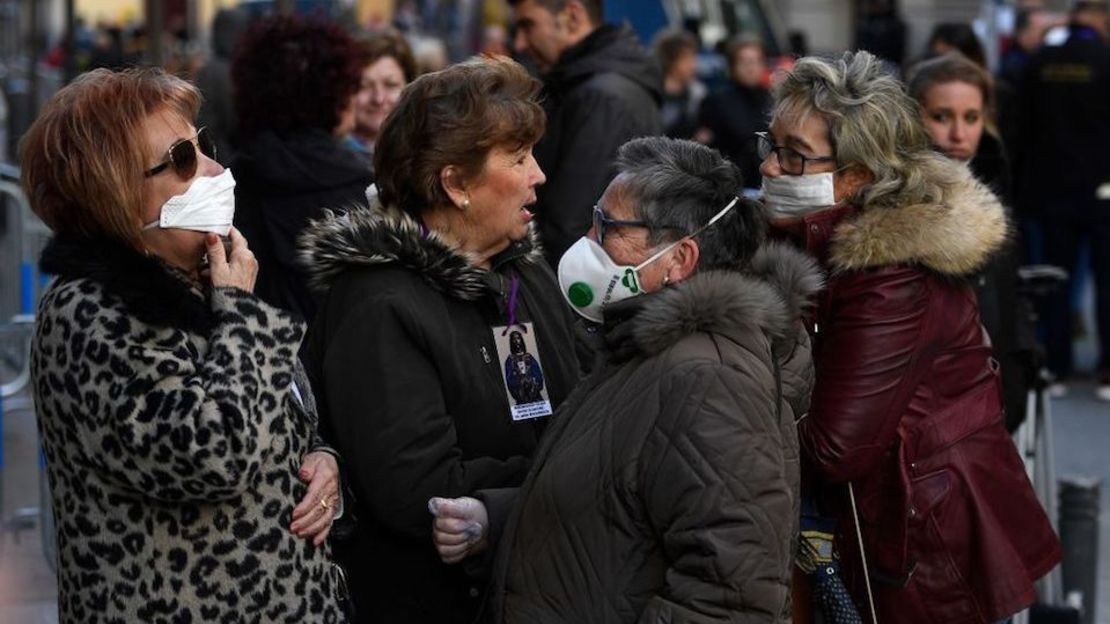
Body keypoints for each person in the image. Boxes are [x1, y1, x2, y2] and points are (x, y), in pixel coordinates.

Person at [431, 136, 823, 623]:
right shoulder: (647, 347)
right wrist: (501, 517)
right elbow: (622, 500)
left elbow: (731, 596)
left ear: (680, 260)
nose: (589, 240)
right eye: (595, 218)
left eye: (609, 227)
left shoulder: (709, 380)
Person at [21, 67, 347, 622]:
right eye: (182, 159)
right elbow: (211, 456)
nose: (217, 170)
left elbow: (283, 414)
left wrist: (321, 460)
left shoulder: (206, 282)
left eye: (205, 146)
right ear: (115, 194)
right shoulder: (88, 313)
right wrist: (240, 315)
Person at [761, 51, 1061, 622]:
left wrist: (726, 401)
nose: (771, 169)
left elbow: (833, 449)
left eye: (794, 157)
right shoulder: (819, 241)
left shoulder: (887, 274)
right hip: (900, 524)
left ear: (858, 176)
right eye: (770, 147)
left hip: (924, 548)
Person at [299, 57, 581, 624]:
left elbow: (583, 404)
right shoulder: (378, 301)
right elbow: (418, 489)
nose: (539, 176)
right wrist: (567, 476)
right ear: (455, 184)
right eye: (519, 158)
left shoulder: (523, 271)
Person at [907, 53, 1033, 432]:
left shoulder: (994, 178)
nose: (959, 135)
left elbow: (1005, 293)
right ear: (914, 119)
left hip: (997, 398)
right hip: (932, 413)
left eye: (972, 118)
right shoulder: (898, 200)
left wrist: (1019, 367)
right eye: (942, 117)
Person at [231, 15, 373, 324]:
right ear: (333, 94)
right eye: (351, 87)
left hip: (259, 354)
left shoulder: (233, 181)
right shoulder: (365, 188)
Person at [508, 0, 662, 267]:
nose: (520, 43)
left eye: (528, 25)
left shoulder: (601, 99)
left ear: (572, 16)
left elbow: (569, 224)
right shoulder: (589, 87)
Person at [1018, 0, 1110, 400]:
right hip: (1104, 190)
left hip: (1052, 189)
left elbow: (1023, 127)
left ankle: (1056, 364)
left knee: (1057, 278)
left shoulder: (1040, 61)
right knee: (1107, 282)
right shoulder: (1106, 58)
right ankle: (1107, 369)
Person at [697, 35, 772, 193]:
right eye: (744, 62)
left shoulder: (773, 100)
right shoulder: (716, 102)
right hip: (730, 186)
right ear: (732, 65)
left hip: (767, 183)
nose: (750, 68)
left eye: (756, 61)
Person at [346, 30, 417, 162]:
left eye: (391, 85)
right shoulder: (326, 160)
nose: (378, 99)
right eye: (364, 86)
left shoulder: (426, 155)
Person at [193, 6, 248, 167]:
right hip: (243, 158)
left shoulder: (209, 71)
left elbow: (204, 122)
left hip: (219, 158)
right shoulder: (246, 69)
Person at [652, 28, 706, 140]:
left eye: (694, 58)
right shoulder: (651, 94)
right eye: (686, 59)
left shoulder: (698, 92)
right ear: (670, 61)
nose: (693, 65)